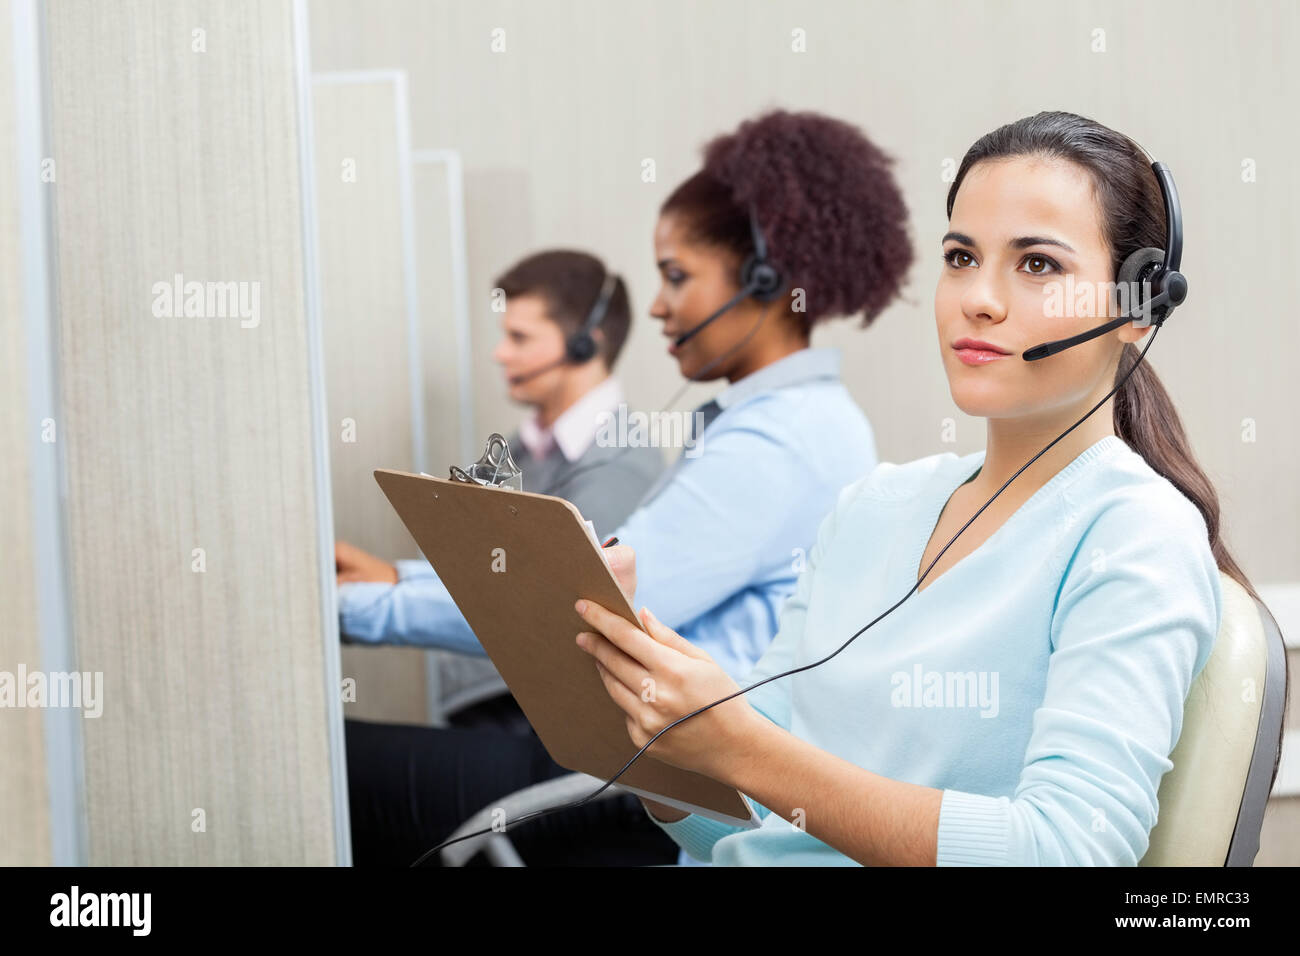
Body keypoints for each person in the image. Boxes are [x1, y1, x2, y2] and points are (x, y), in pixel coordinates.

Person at [575, 111, 1280, 866]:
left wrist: (745, 749)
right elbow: (745, 828)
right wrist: (651, 723)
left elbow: (1065, 852)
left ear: (1139, 305)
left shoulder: (1133, 533)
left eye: (1037, 264)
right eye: (961, 256)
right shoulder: (869, 510)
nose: (979, 298)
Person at [344, 108, 915, 865]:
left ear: (766, 281)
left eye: (677, 277)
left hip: (655, 787)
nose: (654, 306)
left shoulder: (783, 440)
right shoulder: (781, 423)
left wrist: (356, 608)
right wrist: (392, 579)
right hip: (644, 764)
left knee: (335, 765)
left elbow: (586, 605)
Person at [336, 249, 664, 731]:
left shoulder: (618, 466)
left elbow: (540, 609)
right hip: (498, 700)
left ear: (582, 345)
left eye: (519, 337)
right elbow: (493, 570)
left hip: (546, 728)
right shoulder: (527, 447)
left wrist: (368, 603)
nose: (500, 353)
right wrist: (392, 576)